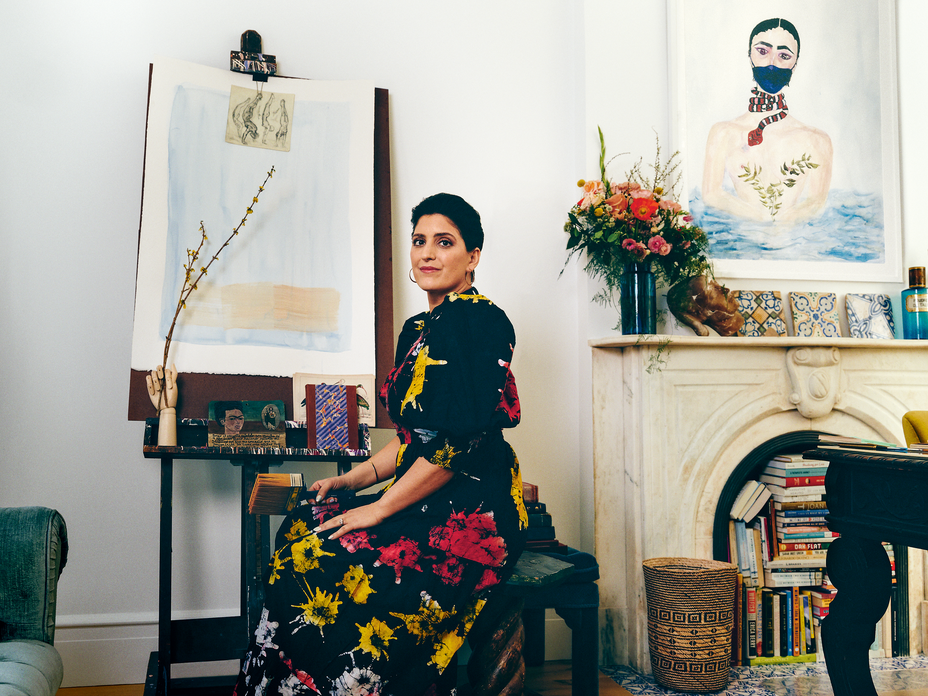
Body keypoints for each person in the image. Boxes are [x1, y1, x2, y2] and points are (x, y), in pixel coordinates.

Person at [233, 193, 528, 696]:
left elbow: (455, 447)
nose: (428, 253)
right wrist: (353, 479)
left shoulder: (484, 323)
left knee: (327, 560)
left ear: (472, 256)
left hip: (474, 506)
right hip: (423, 490)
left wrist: (378, 510)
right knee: (307, 519)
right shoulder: (417, 329)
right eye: (419, 241)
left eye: (445, 242)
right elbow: (414, 440)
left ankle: (350, 685)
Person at [702, 18, 833, 224]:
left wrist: (782, 223)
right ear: (749, 55)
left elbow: (816, 201)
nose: (772, 63)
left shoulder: (817, 140)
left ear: (795, 63)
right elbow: (711, 194)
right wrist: (761, 218)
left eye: (784, 55)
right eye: (763, 51)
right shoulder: (723, 132)